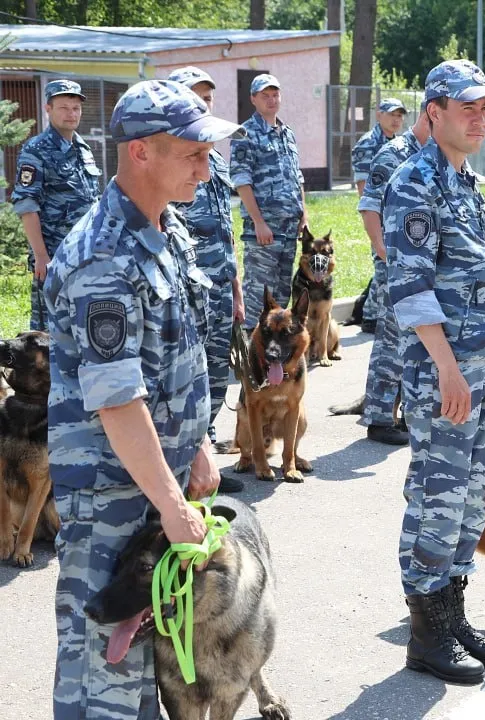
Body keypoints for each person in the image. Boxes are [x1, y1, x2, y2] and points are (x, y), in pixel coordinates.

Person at [46, 79, 240, 719]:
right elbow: (119, 401)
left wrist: (200, 446)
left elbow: (176, 359)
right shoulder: (102, 255)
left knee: (143, 661)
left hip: (158, 476)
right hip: (111, 488)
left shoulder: (168, 228)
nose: (204, 166)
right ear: (140, 154)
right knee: (102, 663)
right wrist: (170, 499)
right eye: (191, 152)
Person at [383, 59, 485, 685]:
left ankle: (452, 613)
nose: (480, 117)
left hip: (479, 371)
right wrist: (449, 371)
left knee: (470, 499)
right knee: (438, 496)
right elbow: (411, 288)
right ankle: (426, 635)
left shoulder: (464, 181)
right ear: (433, 112)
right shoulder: (416, 183)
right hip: (446, 375)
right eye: (468, 107)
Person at [167, 68, 246, 479]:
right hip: (187, 295)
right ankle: (184, 467)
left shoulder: (213, 160)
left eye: (208, 100)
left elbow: (225, 229)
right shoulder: (172, 167)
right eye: (194, 98)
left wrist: (236, 289)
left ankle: (205, 454)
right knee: (186, 382)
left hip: (219, 289)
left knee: (216, 376)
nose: (203, 106)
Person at [358, 105, 432, 446]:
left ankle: (404, 411)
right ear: (432, 114)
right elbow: (369, 205)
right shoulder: (394, 154)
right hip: (397, 264)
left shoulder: (438, 154)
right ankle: (378, 416)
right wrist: (384, 251)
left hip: (426, 265)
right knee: (391, 340)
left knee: (417, 341)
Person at [12, 79, 102, 331]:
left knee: (85, 325)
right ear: (48, 109)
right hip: (55, 256)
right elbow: (27, 204)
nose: (71, 114)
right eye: (64, 107)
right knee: (51, 331)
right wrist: (41, 256)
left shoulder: (83, 149)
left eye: (75, 108)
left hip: (85, 254)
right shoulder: (37, 150)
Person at [230, 73, 307, 330]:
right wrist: (258, 222)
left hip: (288, 230)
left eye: (275, 95)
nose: (272, 100)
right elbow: (242, 181)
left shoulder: (287, 134)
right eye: (265, 95)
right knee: (258, 297)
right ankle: (253, 361)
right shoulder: (245, 134)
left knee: (281, 298)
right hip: (264, 231)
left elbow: (297, 177)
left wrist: (303, 214)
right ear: (253, 99)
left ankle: (274, 358)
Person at [353, 97, 408, 332]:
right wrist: (374, 220)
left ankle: (372, 313)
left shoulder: (401, 144)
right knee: (383, 266)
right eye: (391, 114)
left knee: (388, 267)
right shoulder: (368, 144)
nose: (396, 119)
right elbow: (364, 188)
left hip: (399, 214)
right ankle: (370, 316)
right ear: (378, 114)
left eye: (399, 115)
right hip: (380, 216)